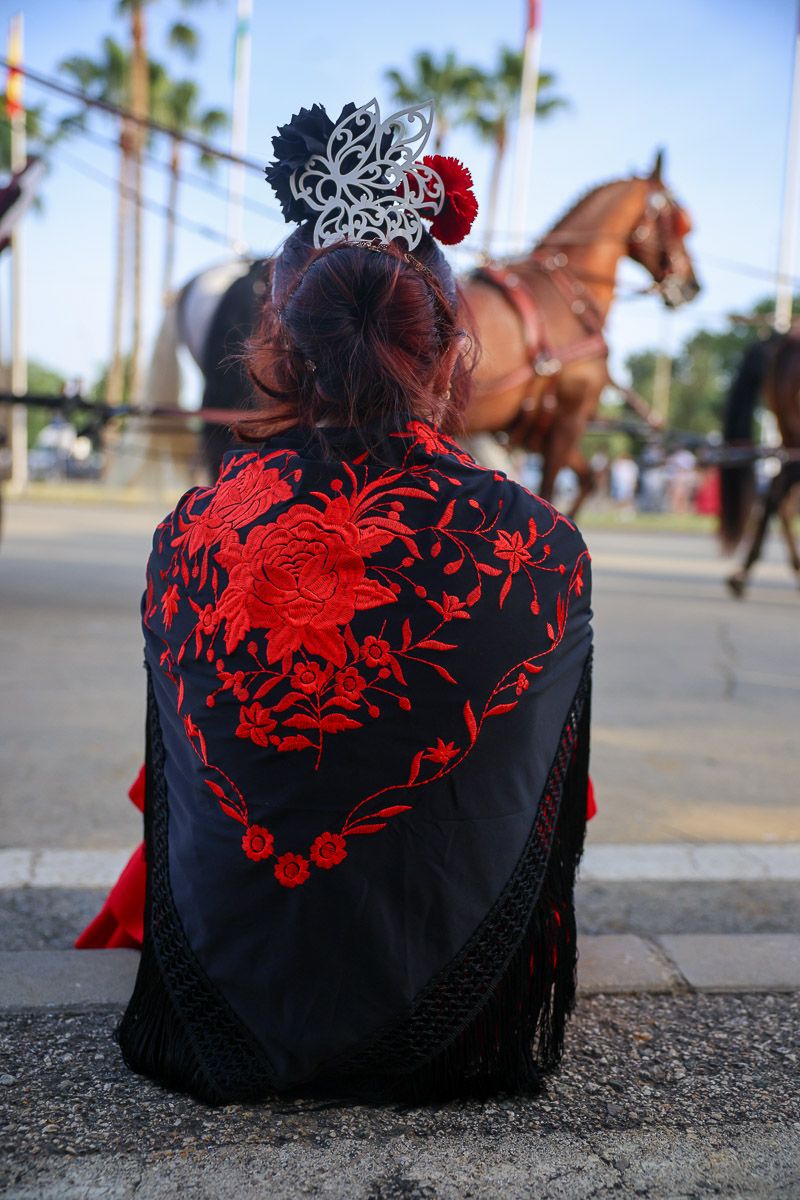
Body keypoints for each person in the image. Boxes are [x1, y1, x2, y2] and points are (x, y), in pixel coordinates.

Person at [78, 99, 594, 1105]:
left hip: (212, 1024)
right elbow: (545, 810)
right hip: (460, 1038)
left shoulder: (188, 533)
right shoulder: (543, 545)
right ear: (452, 356)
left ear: (275, 350)